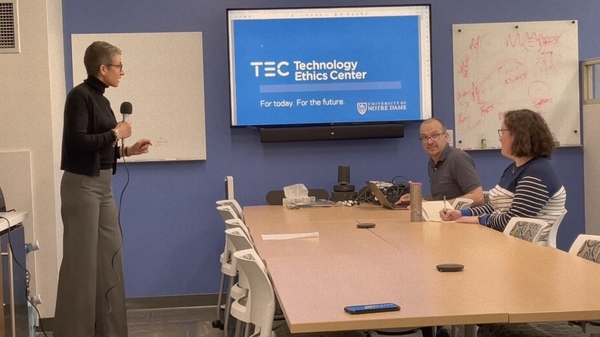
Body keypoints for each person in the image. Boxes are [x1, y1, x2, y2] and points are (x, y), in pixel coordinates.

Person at [54, 41, 152, 337]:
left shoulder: (103, 99)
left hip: (104, 186)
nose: (123, 72)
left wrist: (128, 151)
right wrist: (114, 134)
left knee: (110, 261)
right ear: (103, 68)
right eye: (119, 66)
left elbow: (98, 149)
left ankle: (109, 331)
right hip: (81, 188)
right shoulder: (79, 97)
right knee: (81, 266)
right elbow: (78, 143)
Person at [440, 109, 567, 244]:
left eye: (503, 132)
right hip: (507, 243)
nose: (500, 138)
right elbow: (496, 207)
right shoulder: (514, 168)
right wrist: (463, 213)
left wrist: (479, 219)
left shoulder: (538, 173)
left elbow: (515, 220)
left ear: (518, 135)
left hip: (529, 250)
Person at [396, 117, 484, 207]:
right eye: (425, 137)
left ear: (446, 137)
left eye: (435, 136)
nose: (430, 142)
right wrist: (418, 200)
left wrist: (432, 205)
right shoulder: (432, 162)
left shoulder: (458, 158)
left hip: (460, 217)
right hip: (444, 217)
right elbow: (440, 200)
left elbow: (478, 197)